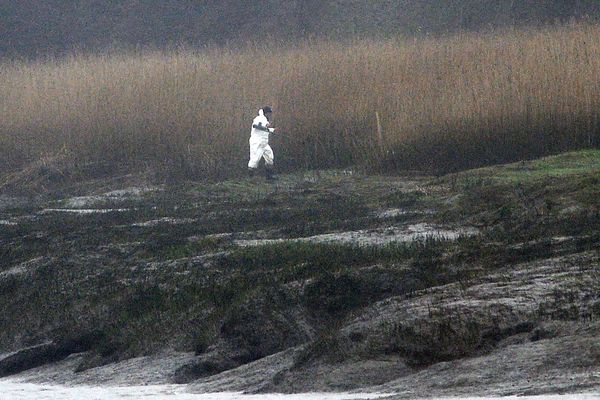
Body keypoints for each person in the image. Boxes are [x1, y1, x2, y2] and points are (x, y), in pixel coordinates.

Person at [248, 106, 279, 180]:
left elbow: (264, 129)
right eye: (269, 113)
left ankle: (269, 177)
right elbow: (256, 126)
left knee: (270, 157)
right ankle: (251, 178)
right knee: (254, 160)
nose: (270, 115)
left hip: (264, 143)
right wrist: (270, 130)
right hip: (257, 142)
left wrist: (272, 130)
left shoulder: (265, 120)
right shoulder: (259, 118)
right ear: (266, 113)